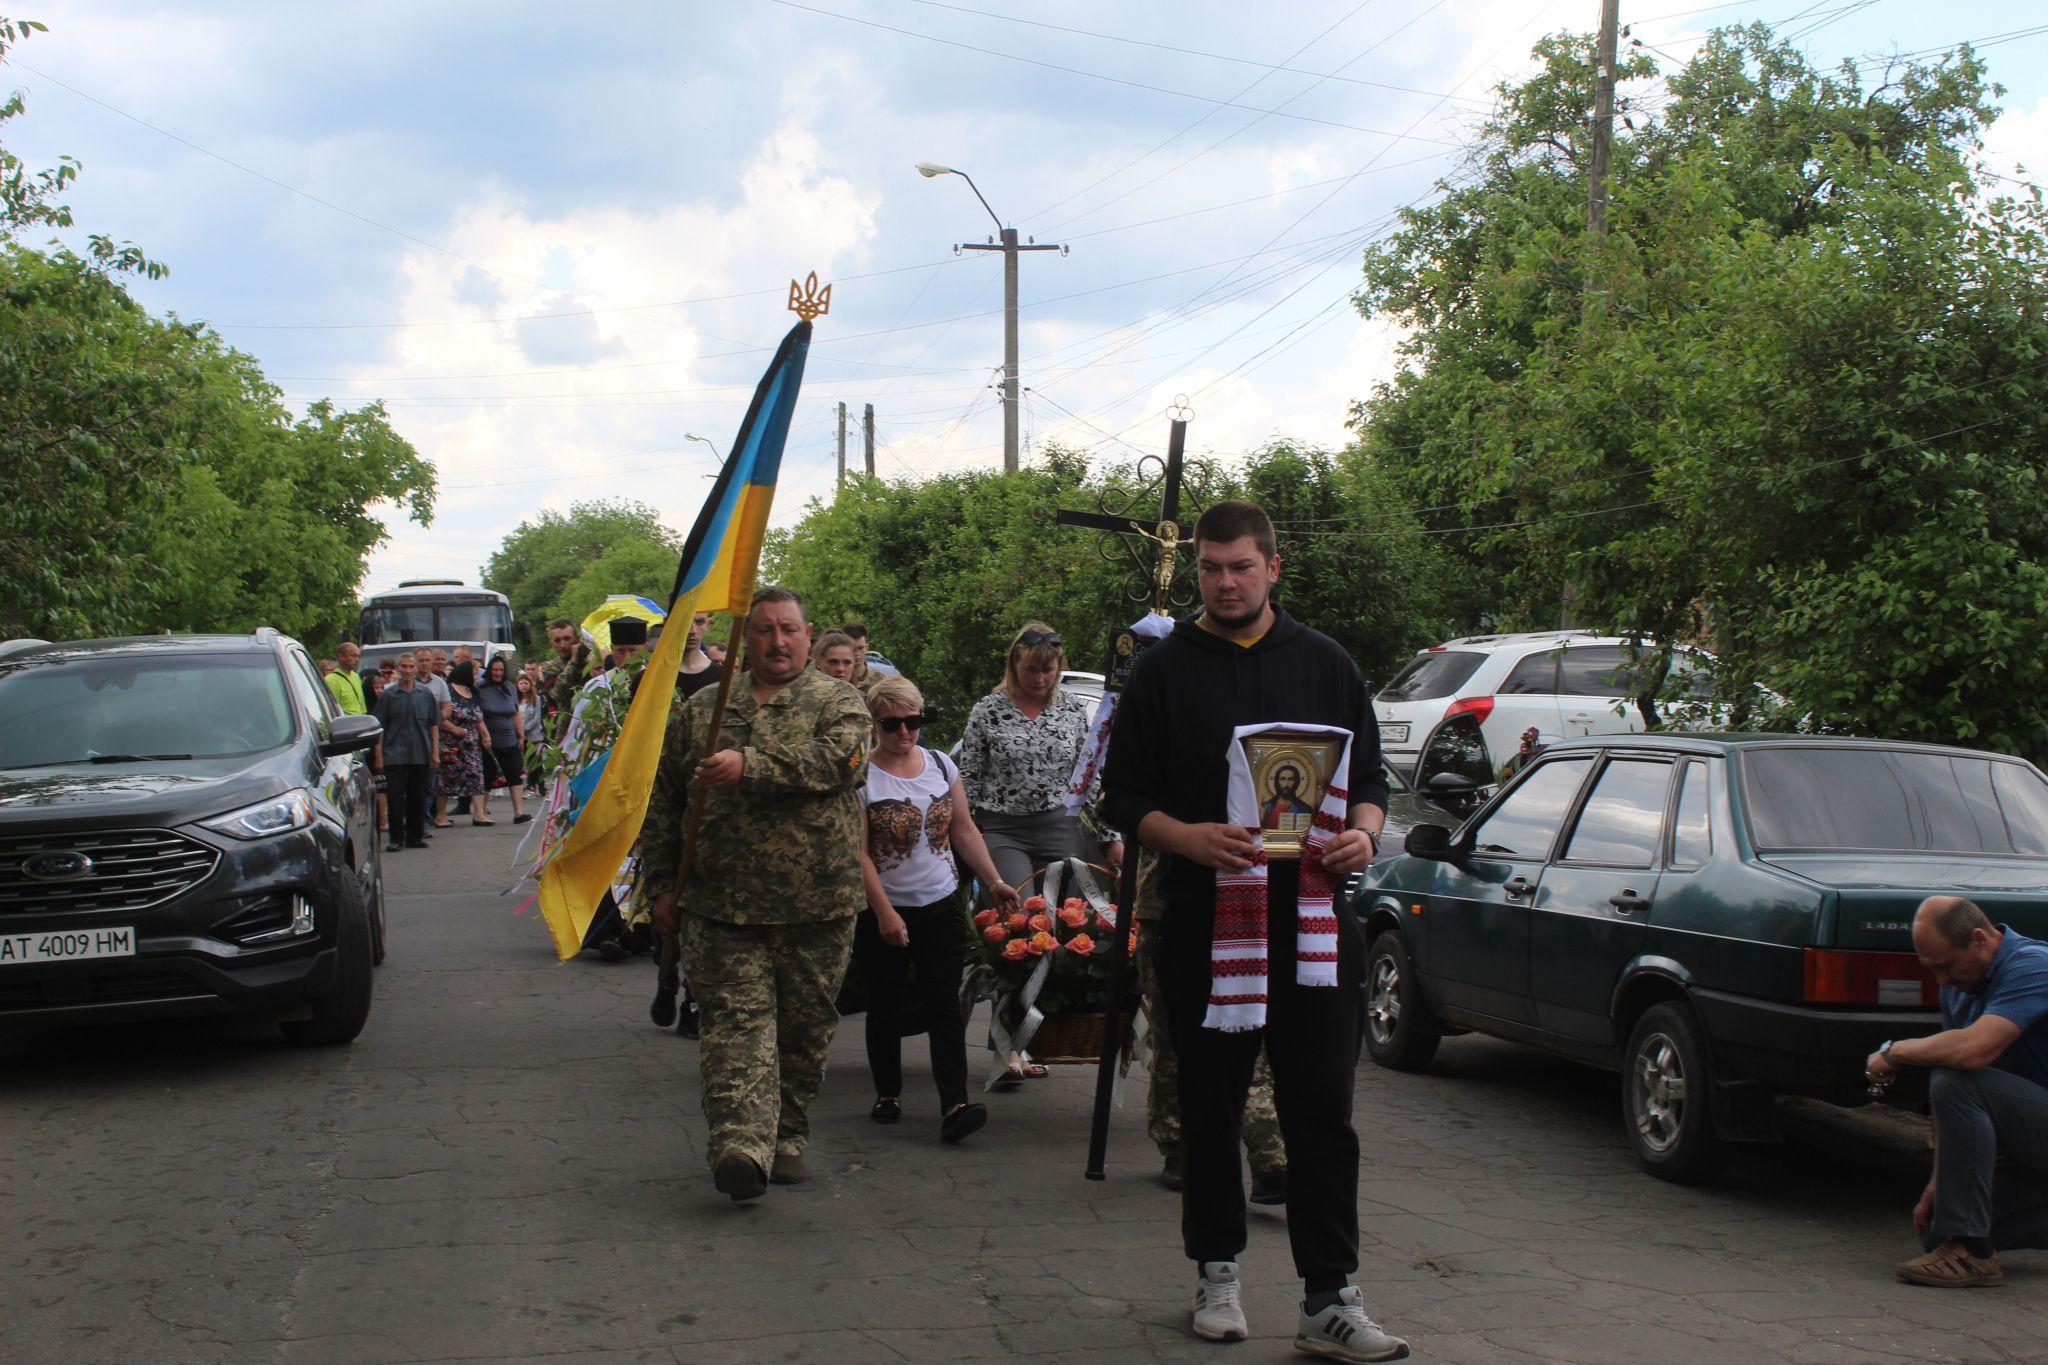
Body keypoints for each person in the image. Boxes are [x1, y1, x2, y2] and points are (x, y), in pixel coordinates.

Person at [1102, 498, 1404, 1360]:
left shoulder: (1325, 662)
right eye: (1210, 567)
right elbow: (1121, 796)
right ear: (1196, 570)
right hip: (1206, 919)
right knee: (1209, 1104)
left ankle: (1329, 1299)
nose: (1225, 582)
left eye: (1241, 566)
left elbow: (1372, 776)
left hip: (1311, 922)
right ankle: (1217, 1274)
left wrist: (1365, 833)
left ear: (1274, 568)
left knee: (1323, 1111)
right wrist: (1186, 837)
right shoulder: (1164, 671)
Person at [642, 586, 869, 1201]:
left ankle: (786, 1136)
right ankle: (740, 1146)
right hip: (720, 904)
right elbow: (664, 802)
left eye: (788, 629)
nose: (776, 641)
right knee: (734, 1027)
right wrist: (661, 886)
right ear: (745, 638)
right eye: (764, 630)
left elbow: (842, 763)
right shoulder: (704, 709)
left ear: (807, 633)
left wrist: (751, 766)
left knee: (804, 1030)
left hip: (817, 905)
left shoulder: (839, 701)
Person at [858, 676, 1019, 1143]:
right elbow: (859, 852)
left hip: (941, 901)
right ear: (875, 724)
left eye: (915, 721)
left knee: (944, 1003)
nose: (905, 732)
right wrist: (885, 913)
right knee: (884, 1003)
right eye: (893, 724)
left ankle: (955, 1103)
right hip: (884, 906)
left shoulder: (941, 765)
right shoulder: (863, 776)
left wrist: (993, 881)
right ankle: (888, 1090)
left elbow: (964, 830)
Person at [1866, 896, 2048, 1287]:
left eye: (1945, 966)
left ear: (1980, 939)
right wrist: (1940, 1183)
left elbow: (1972, 1052)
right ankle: (1963, 1239)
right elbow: (1948, 1092)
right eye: (1932, 970)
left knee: (1958, 1079)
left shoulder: (2034, 965)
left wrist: (1893, 1052)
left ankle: (1974, 1254)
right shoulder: (1960, 986)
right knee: (1940, 1226)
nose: (1941, 981)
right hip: (2034, 1137)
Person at [1133, 850, 1290, 1205]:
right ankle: (1265, 1157)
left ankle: (1189, 1148)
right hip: (1195, 902)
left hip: (1201, 900)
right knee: (1213, 1034)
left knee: (1187, 1037)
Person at [372, 653, 440, 851]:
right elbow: (379, 727)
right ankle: (396, 838)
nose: (408, 670)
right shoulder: (388, 695)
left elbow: (433, 724)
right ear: (398, 669)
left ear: (416, 668)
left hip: (420, 752)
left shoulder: (425, 694)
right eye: (404, 667)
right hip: (395, 753)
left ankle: (415, 836)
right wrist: (378, 755)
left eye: (411, 666)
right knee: (395, 797)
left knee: (417, 796)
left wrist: (435, 752)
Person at [476, 656, 530, 824]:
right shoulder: (480, 688)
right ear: (489, 670)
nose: (498, 673)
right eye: (495, 670)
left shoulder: (510, 687)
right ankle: (481, 813)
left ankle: (518, 813)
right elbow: (477, 714)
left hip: (509, 738)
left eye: (500, 670)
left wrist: (521, 735)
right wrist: (484, 735)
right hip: (488, 740)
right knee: (488, 774)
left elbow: (515, 713)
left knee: (515, 773)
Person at [439, 661, 493, 826]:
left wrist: (485, 734)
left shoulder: (472, 691)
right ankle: (440, 815)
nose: (477, 677)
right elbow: (439, 717)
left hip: (471, 744)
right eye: (474, 674)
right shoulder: (448, 690)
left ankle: (479, 814)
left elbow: (477, 716)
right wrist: (454, 729)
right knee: (446, 778)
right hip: (451, 742)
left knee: (476, 776)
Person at [415, 648, 453, 832]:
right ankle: (413, 822)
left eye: (427, 660)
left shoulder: (439, 684)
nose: (424, 663)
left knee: (430, 782)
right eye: (420, 660)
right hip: (410, 738)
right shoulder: (405, 683)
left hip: (432, 736)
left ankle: (423, 821)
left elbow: (447, 707)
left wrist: (435, 719)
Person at [515, 672, 545, 797]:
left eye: (526, 683)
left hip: (533, 735)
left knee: (535, 761)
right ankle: (530, 785)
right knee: (524, 761)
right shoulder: (515, 699)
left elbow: (537, 718)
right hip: (518, 735)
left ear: (530, 684)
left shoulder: (536, 699)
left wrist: (523, 729)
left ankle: (540, 785)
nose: (523, 686)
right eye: (521, 683)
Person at [680, 610, 721, 698]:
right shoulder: (651, 676)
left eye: (700, 622)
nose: (692, 631)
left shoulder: (721, 677)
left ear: (708, 624)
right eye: (684, 621)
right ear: (667, 622)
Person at [325, 642, 368, 716]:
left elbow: (362, 708)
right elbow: (330, 710)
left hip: (359, 723)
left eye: (358, 656)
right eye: (353, 656)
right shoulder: (331, 680)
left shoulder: (356, 677)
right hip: (345, 725)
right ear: (341, 657)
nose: (357, 660)